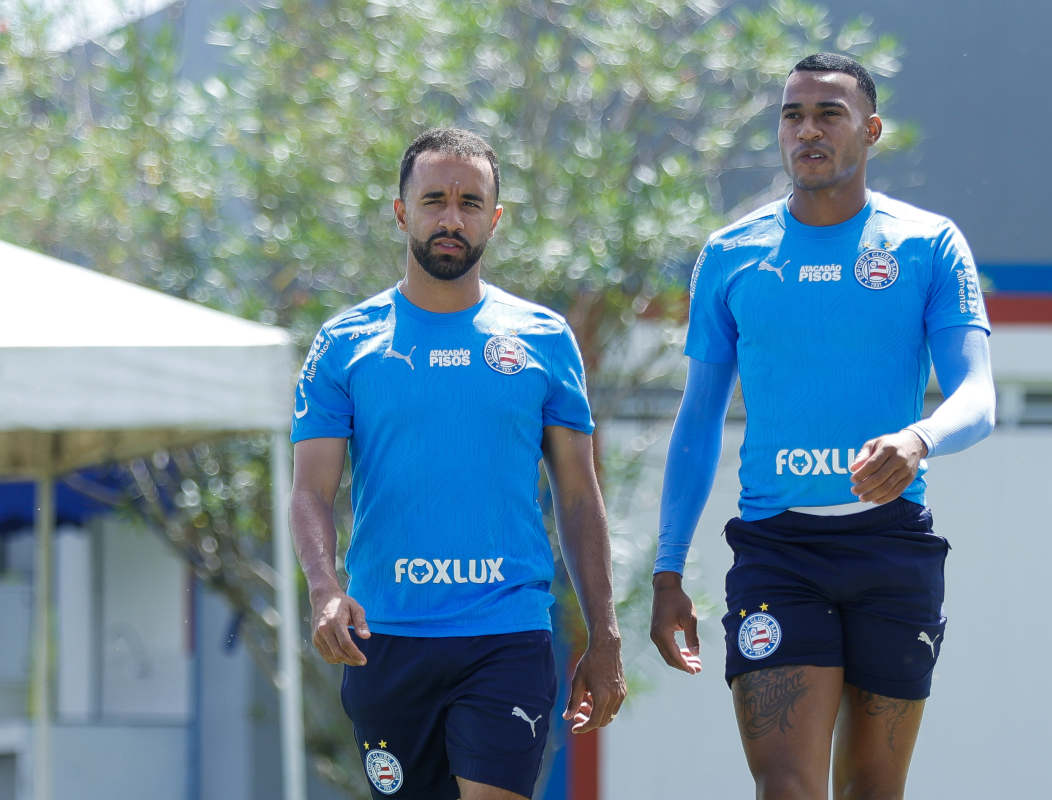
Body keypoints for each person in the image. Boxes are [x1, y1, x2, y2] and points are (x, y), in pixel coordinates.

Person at [649, 53, 995, 799]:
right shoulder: (731, 255)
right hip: (779, 551)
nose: (807, 130)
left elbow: (978, 395)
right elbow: (699, 418)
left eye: (828, 115)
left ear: (869, 130)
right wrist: (667, 567)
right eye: (792, 115)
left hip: (892, 545)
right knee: (786, 788)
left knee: (873, 790)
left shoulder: (928, 244)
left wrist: (918, 437)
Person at [290, 127, 625, 800]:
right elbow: (311, 492)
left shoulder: (542, 339)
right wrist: (325, 588)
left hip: (506, 633)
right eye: (435, 199)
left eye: (471, 203)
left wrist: (604, 633)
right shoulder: (345, 343)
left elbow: (580, 498)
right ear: (400, 211)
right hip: (384, 637)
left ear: (494, 219)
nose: (452, 218)